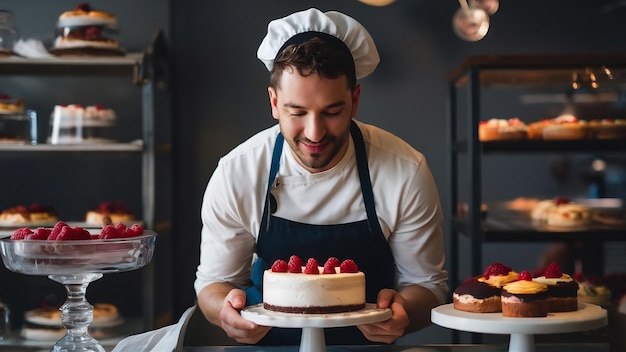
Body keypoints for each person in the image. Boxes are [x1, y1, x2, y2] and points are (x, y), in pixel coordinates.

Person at [194, 8, 448, 346]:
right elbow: (213, 284)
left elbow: (428, 285)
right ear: (274, 102)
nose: (314, 133)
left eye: (332, 112)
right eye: (297, 112)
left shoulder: (404, 170)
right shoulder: (238, 172)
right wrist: (224, 310)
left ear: (355, 101)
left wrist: (404, 311)